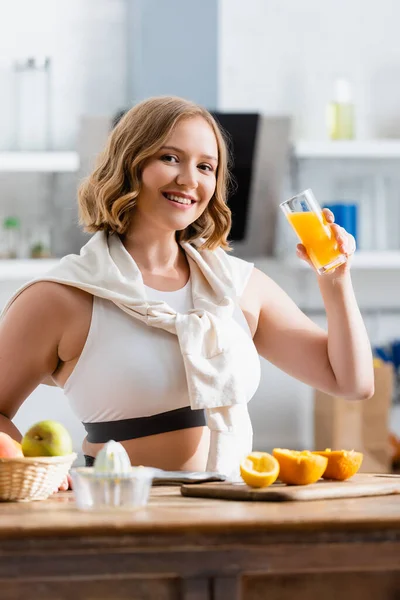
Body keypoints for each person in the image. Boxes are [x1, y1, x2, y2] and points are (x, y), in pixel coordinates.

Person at [0, 96, 374, 487]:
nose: (189, 179)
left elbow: (351, 383)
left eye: (205, 167)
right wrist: (41, 473)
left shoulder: (236, 286)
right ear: (131, 163)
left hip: (233, 509)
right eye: (170, 158)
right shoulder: (63, 297)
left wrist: (336, 280)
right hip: (121, 515)